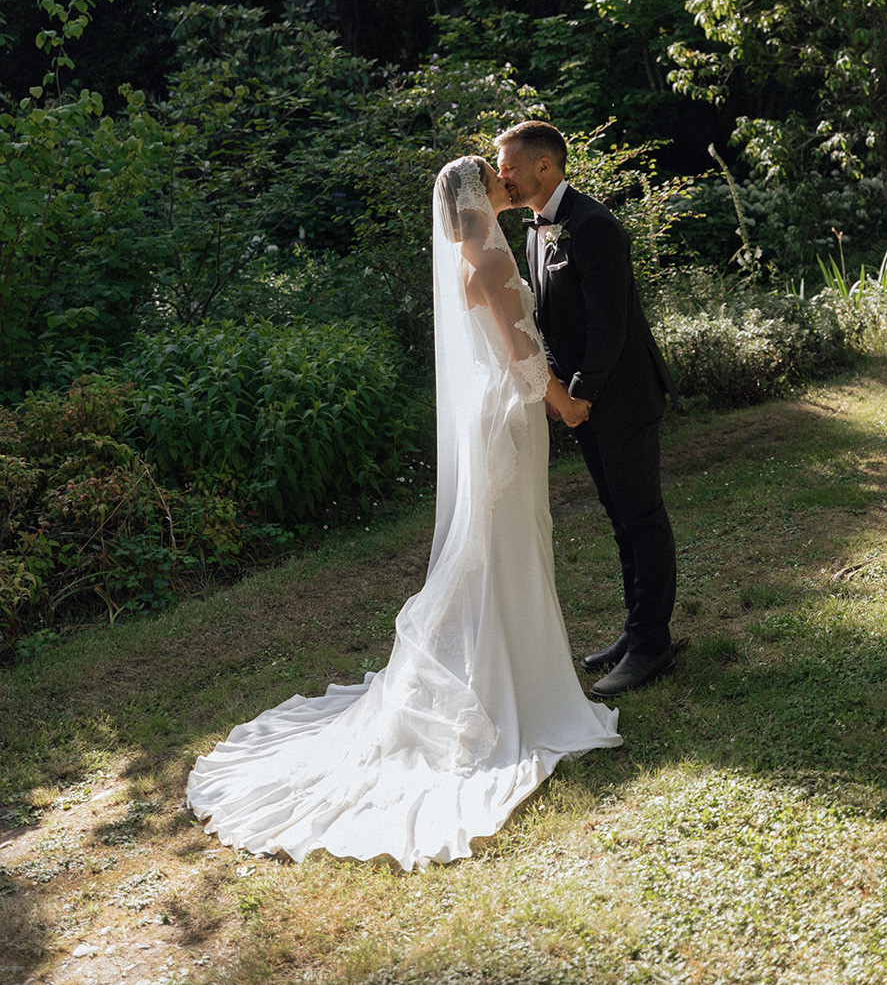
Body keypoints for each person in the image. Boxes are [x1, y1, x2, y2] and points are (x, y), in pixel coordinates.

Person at [186, 155, 620, 872]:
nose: (507, 186)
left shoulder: (474, 254)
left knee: (502, 547)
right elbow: (519, 352)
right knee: (502, 548)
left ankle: (510, 667)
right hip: (512, 415)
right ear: (479, 194)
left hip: (500, 414)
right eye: (495, 180)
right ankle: (505, 683)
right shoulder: (484, 257)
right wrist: (567, 404)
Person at [494, 121, 677, 699]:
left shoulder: (595, 226)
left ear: (543, 166)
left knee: (641, 515)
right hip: (582, 398)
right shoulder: (534, 232)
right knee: (620, 515)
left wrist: (577, 395)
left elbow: (610, 327)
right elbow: (547, 321)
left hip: (618, 396)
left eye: (509, 166)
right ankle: (635, 630)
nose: (502, 176)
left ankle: (653, 645)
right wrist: (555, 392)